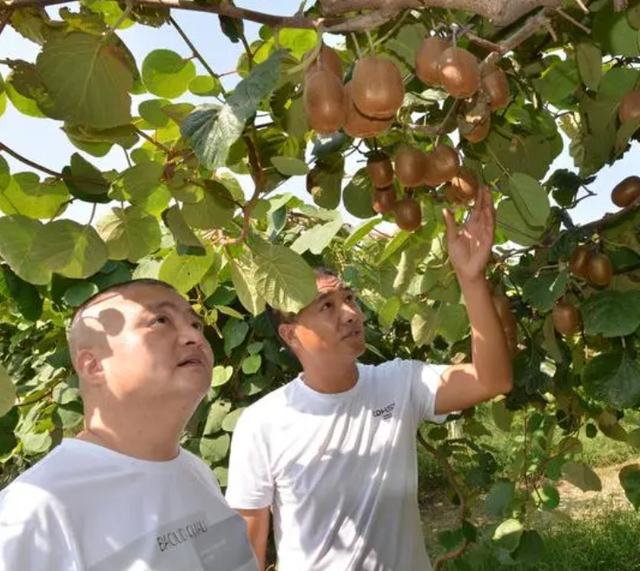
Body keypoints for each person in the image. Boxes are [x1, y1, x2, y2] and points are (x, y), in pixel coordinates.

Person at [225, 186, 513, 571]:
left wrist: (471, 279)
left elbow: (491, 381)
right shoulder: (263, 423)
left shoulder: (399, 383)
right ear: (290, 335)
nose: (350, 313)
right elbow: (248, 541)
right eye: (327, 306)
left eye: (349, 299)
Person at [0, 279, 258, 571]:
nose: (193, 337)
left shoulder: (197, 472)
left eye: (196, 325)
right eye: (161, 321)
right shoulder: (38, 508)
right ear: (93, 365)